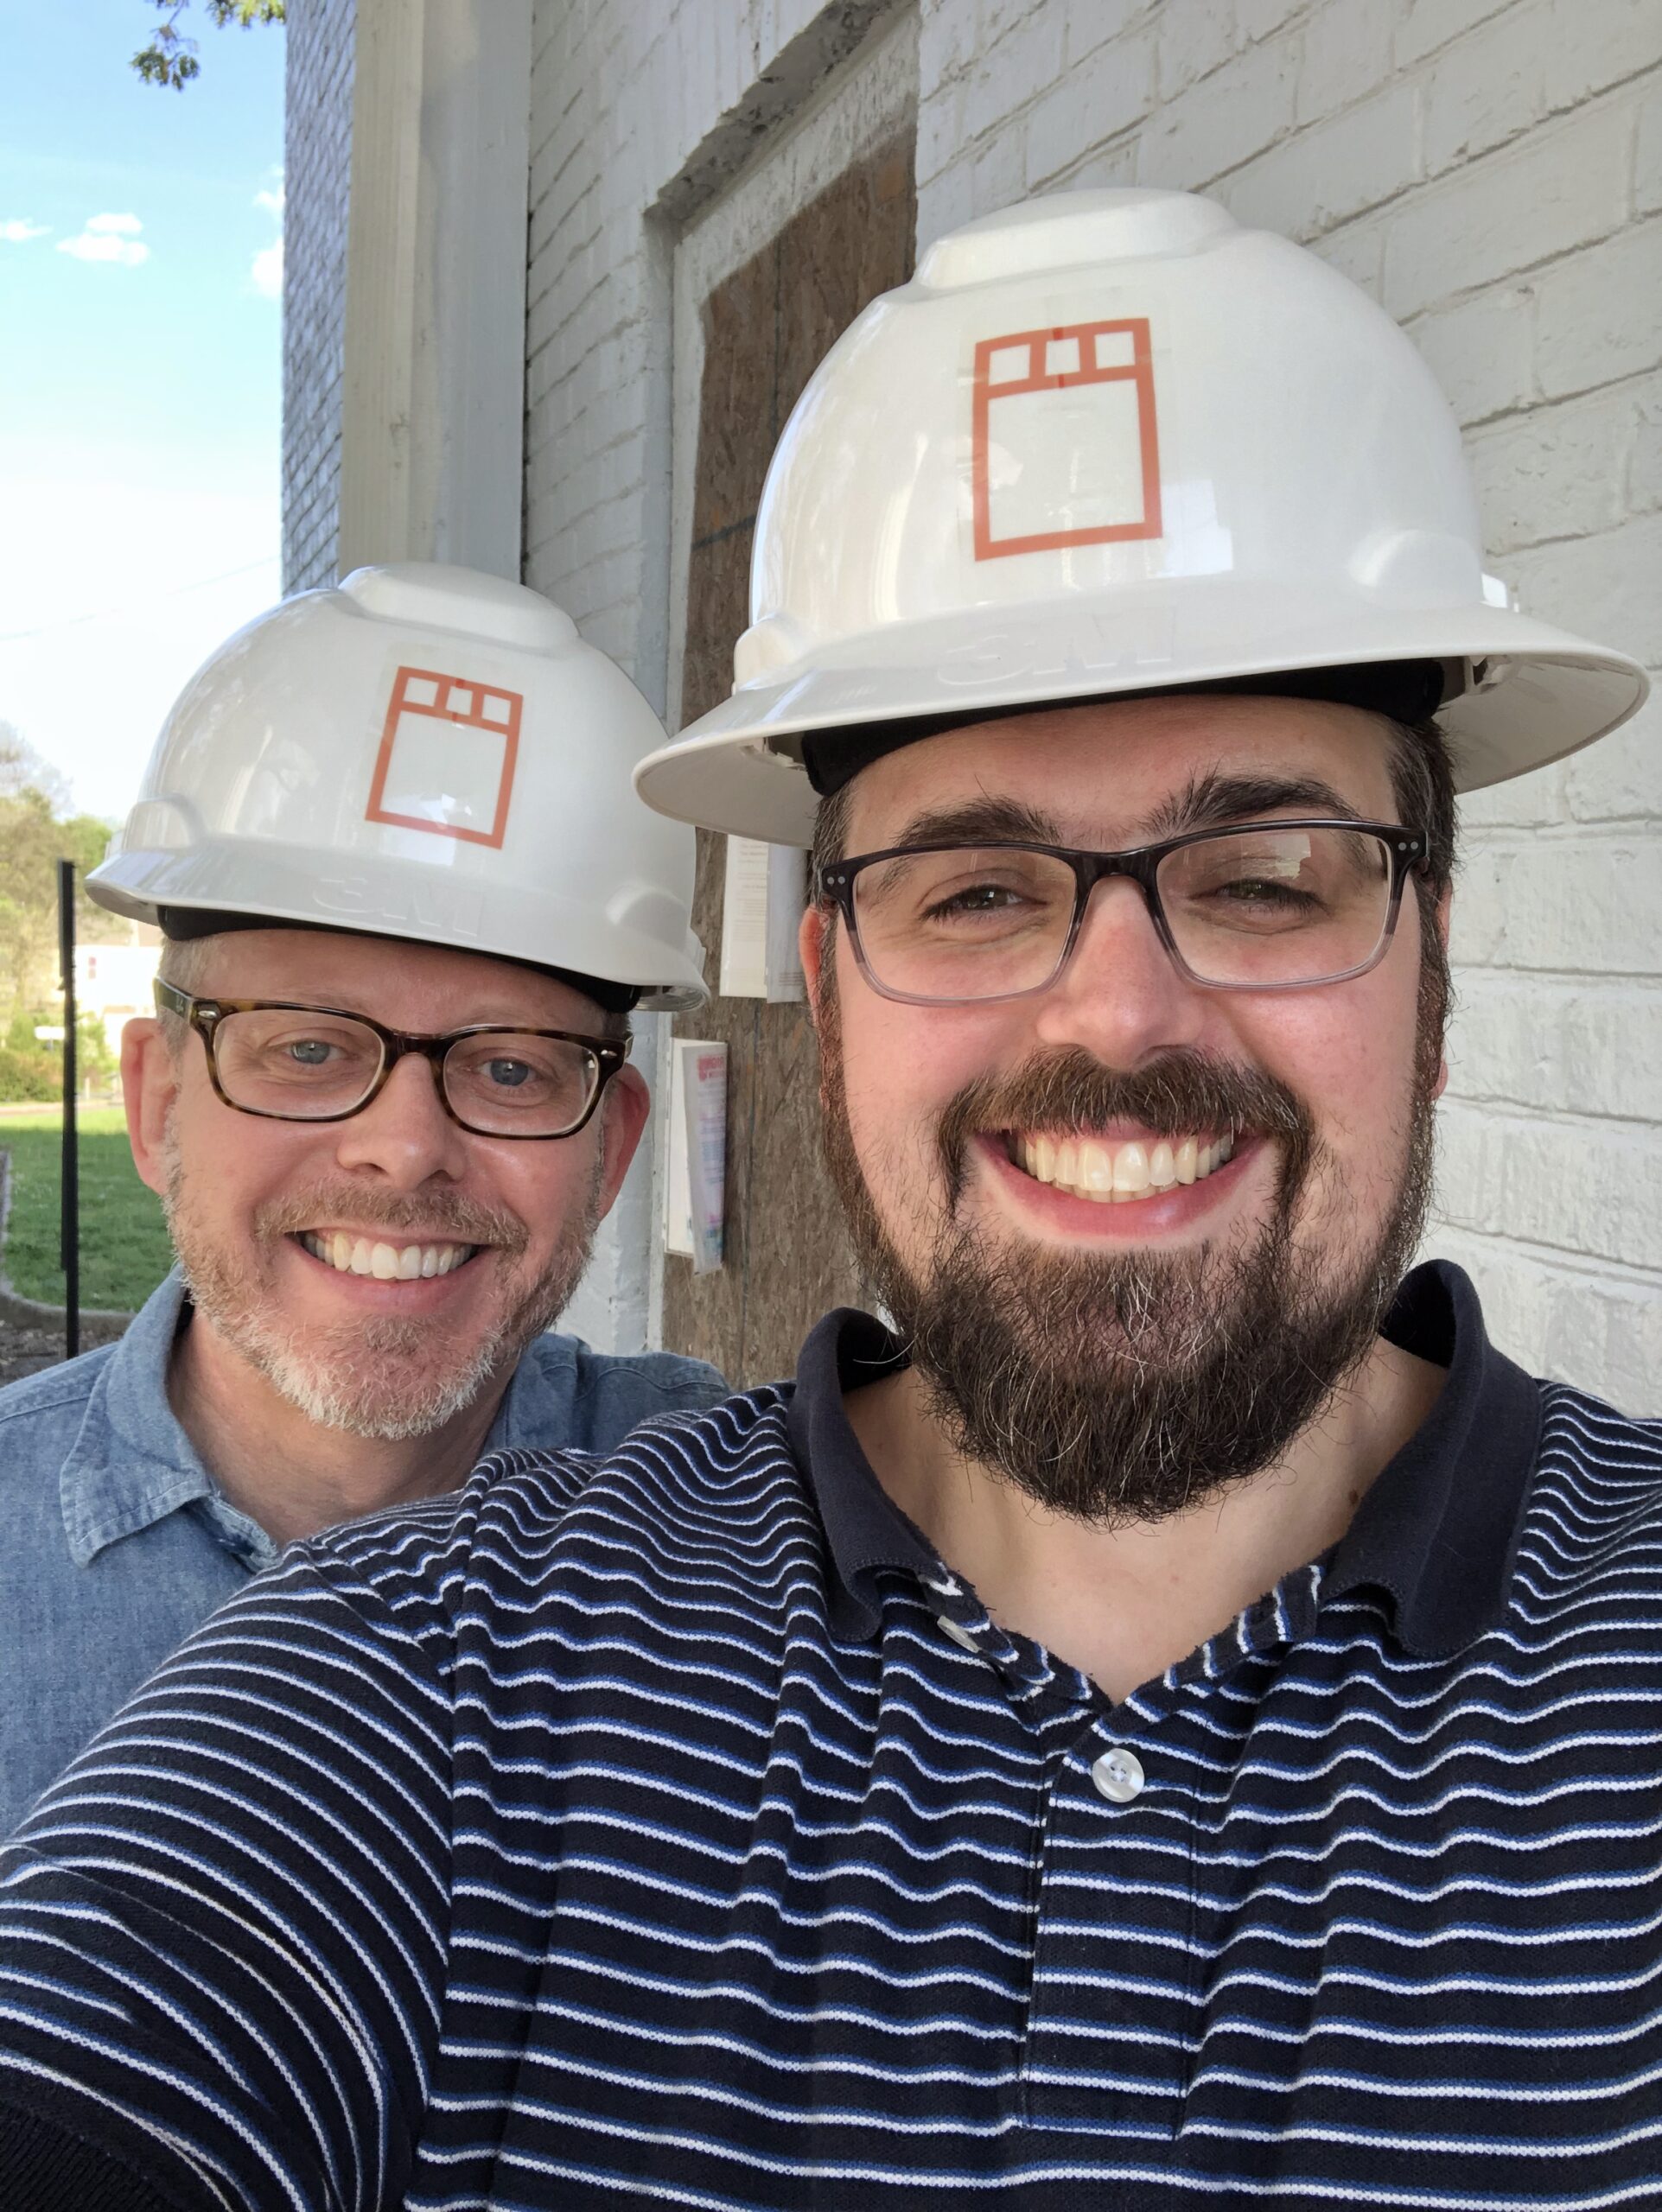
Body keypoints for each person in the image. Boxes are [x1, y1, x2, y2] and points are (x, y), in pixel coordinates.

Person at [0, 190, 1656, 2209]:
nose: (1118, 1014)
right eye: (972, 891)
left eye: (1259, 878)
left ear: (1434, 965)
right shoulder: (414, 1677)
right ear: (826, 994)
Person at [0, 561, 723, 1831]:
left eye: (510, 1068)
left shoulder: (746, 1531)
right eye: (308, 1048)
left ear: (611, 1150)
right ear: (158, 1100)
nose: (405, 1149)